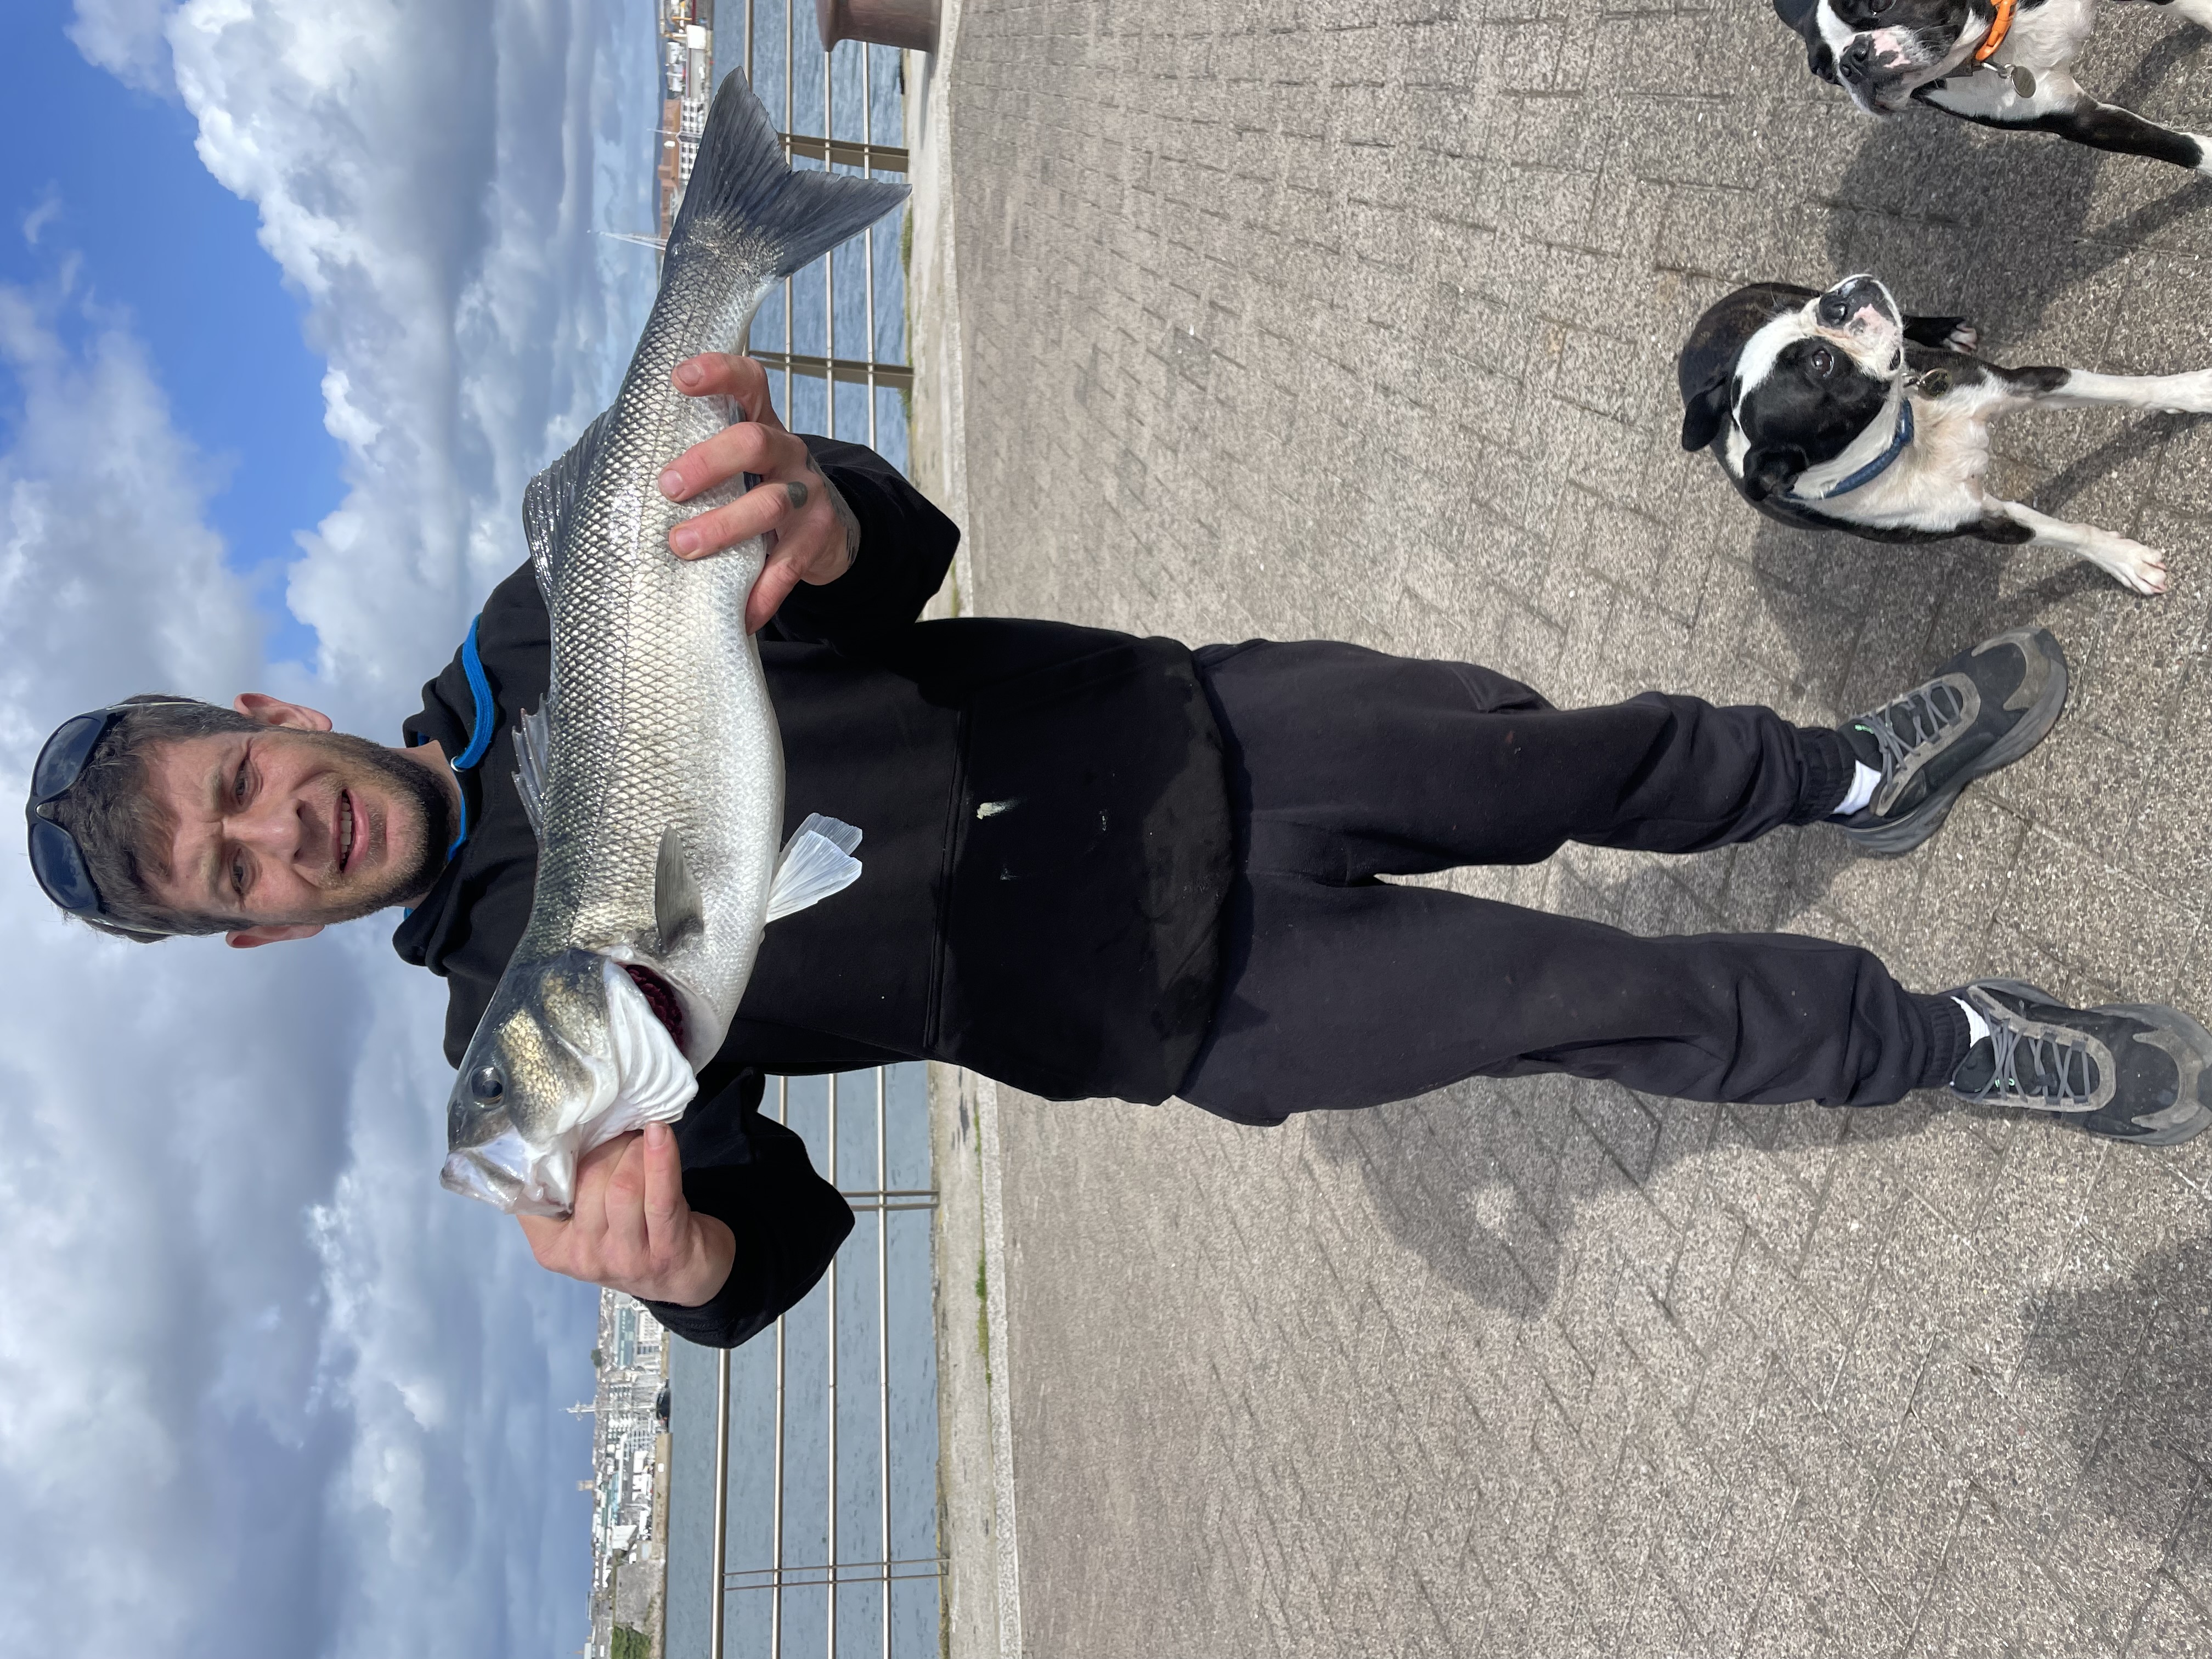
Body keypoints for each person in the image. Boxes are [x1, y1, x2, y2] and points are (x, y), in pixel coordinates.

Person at [25, 356, 2212, 1350]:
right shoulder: (515, 1054)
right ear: (250, 936)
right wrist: (693, 1269)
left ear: (268, 714)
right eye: (226, 877)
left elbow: (875, 566)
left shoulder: (542, 620)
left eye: (228, 787)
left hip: (1190, 717)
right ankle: (1939, 1037)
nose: (268, 834)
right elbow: (771, 1226)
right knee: (1605, 1002)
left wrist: (829, 505)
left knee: (1581, 755)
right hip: (1173, 1009)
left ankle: (1829, 776)